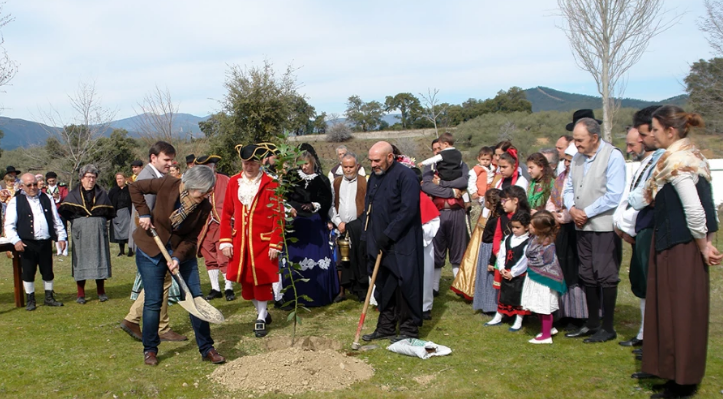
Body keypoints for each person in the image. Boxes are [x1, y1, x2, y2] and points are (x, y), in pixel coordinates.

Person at [638, 106, 721, 397]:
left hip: (681, 246)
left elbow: (696, 211)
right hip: (675, 244)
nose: (653, 134)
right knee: (670, 310)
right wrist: (708, 241)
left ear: (670, 131)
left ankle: (683, 382)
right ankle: (672, 371)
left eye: (656, 130)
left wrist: (703, 244)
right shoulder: (687, 157)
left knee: (681, 312)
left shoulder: (680, 163)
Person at [130, 165, 226, 366]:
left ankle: (207, 348)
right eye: (203, 191)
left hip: (181, 252)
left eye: (209, 191)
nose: (206, 195)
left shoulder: (204, 207)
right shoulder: (168, 183)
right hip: (151, 248)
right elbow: (135, 187)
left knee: (195, 298)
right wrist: (144, 213)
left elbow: (192, 239)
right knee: (153, 301)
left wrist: (177, 258)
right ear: (191, 185)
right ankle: (150, 350)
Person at [563, 117, 626, 343]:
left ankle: (607, 326)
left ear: (595, 138)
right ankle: (591, 323)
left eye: (580, 140)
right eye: (574, 140)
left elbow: (614, 194)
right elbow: (568, 187)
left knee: (605, 275)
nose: (576, 144)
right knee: (587, 274)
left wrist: (586, 212)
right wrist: (571, 208)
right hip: (581, 226)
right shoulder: (578, 158)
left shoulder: (613, 156)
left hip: (603, 227)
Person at [121, 141, 186, 343]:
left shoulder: (160, 176)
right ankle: (145, 323)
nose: (169, 164)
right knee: (159, 282)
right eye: (166, 160)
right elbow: (145, 215)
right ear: (153, 158)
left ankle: (156, 324)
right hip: (150, 242)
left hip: (159, 240)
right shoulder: (146, 177)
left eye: (171, 160)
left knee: (163, 281)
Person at [361, 141, 424, 342]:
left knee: (405, 284)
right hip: (379, 242)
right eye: (371, 160)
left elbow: (408, 210)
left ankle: (408, 329)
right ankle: (386, 326)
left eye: (377, 160)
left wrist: (389, 234)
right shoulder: (374, 178)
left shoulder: (407, 177)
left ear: (390, 157)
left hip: (402, 241)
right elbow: (369, 206)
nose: (373, 164)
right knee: (383, 284)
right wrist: (367, 234)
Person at [219, 144, 283, 337]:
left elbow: (278, 216)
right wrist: (226, 240)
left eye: (253, 162)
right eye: (246, 162)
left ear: (261, 162)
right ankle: (263, 311)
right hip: (240, 243)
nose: (249, 166)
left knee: (262, 281)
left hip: (263, 243)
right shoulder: (233, 182)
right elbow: (226, 213)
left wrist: (275, 242)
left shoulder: (271, 184)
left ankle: (261, 317)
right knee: (245, 280)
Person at [613, 112, 664, 352]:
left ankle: (654, 337)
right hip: (638, 228)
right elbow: (635, 196)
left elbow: (642, 196)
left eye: (634, 143)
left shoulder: (661, 160)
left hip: (652, 228)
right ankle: (645, 333)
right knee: (642, 283)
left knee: (653, 284)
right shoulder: (643, 163)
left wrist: (637, 199)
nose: (631, 149)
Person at [281, 147, 338, 308]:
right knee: (295, 257)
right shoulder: (292, 176)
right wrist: (296, 206)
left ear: (312, 162)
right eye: (301, 164)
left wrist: (314, 204)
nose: (304, 167)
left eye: (306, 164)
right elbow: (284, 195)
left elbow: (326, 200)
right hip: (295, 221)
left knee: (315, 255)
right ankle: (293, 295)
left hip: (314, 223)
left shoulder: (321, 180)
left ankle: (317, 294)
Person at [4, 173, 67, 310]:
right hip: (27, 243)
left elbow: (56, 220)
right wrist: (16, 241)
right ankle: (30, 299)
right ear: (22, 186)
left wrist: (61, 237)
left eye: (35, 184)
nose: (33, 187)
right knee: (28, 271)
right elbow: (9, 226)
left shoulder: (47, 198)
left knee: (47, 270)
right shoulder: (16, 201)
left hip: (45, 241)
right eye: (29, 185)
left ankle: (49, 297)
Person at [545, 143, 588, 329]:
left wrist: (569, 214)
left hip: (578, 228)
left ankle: (578, 314)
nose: (568, 164)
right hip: (561, 229)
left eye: (571, 161)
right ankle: (562, 312)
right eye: (566, 160)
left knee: (575, 271)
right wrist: (553, 214)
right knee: (562, 268)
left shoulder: (583, 178)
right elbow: (552, 201)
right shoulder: (561, 179)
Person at [59, 164, 115, 304]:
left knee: (99, 259)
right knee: (81, 261)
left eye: (93, 177)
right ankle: (81, 294)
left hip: (97, 231)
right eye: (88, 177)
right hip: (81, 232)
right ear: (81, 178)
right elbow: (66, 213)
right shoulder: (73, 195)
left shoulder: (102, 194)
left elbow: (108, 213)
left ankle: (101, 291)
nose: (91, 180)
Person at [421, 137, 469, 291]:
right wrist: (451, 192)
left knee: (459, 249)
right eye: (435, 149)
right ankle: (434, 287)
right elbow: (428, 186)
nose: (438, 151)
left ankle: (460, 285)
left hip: (457, 212)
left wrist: (443, 184)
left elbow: (464, 181)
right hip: (438, 213)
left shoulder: (459, 163)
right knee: (437, 249)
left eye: (439, 148)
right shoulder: (430, 166)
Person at [485, 188, 531, 331]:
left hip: (519, 267)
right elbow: (498, 237)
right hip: (504, 262)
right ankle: (500, 315)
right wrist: (498, 258)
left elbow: (526, 256)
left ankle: (518, 318)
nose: (502, 203)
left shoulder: (526, 218)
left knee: (519, 291)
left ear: (515, 200)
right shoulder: (502, 218)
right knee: (503, 290)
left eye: (505, 200)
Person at [192, 155, 234, 301]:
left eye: (209, 166)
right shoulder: (197, 183)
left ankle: (229, 287)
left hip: (221, 223)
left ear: (214, 166)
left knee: (224, 255)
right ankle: (215, 288)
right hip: (203, 225)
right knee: (209, 256)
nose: (207, 169)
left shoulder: (225, 180)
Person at [521, 211, 567, 344]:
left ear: (540, 229)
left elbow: (545, 262)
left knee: (544, 307)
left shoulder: (548, 245)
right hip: (535, 277)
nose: (529, 226)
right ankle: (548, 329)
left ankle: (546, 336)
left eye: (532, 225)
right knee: (538, 305)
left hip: (543, 279)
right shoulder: (534, 239)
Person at [329, 152, 368, 302]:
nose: (348, 170)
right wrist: (338, 222)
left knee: (360, 258)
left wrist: (355, 224)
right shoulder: (336, 183)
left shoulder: (365, 182)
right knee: (341, 260)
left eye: (351, 167)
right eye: (345, 167)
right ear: (341, 167)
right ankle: (342, 291)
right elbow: (331, 205)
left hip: (359, 227)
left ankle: (361, 289)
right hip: (341, 228)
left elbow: (368, 206)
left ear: (357, 166)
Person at [472, 188, 504, 314]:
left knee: (490, 278)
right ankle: (484, 302)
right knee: (484, 277)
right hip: (486, 247)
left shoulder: (497, 218)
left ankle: (492, 305)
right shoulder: (493, 214)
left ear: (490, 202)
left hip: (491, 248)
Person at [44, 171, 69, 256]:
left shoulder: (62, 187)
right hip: (49, 212)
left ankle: (65, 250)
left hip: (60, 211)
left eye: (53, 181)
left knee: (63, 229)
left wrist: (59, 197)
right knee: (53, 231)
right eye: (50, 181)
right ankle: (58, 250)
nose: (51, 182)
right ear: (47, 181)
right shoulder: (44, 189)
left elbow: (67, 196)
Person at [108, 172, 132, 256]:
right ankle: (121, 251)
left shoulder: (130, 189)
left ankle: (130, 250)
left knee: (129, 232)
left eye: (121, 178)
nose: (119, 180)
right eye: (117, 179)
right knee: (119, 232)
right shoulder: (113, 191)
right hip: (117, 214)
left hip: (127, 213)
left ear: (125, 179)